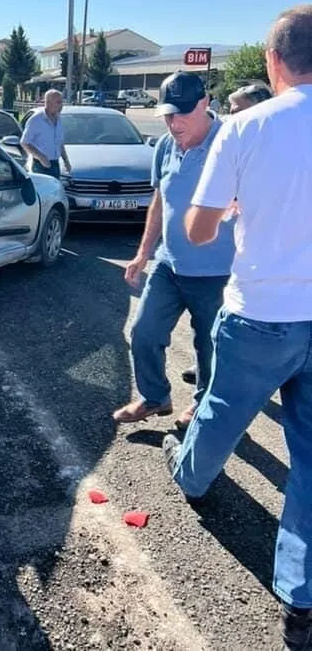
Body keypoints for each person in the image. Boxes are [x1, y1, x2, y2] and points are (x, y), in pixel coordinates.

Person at [162, 4, 312, 651]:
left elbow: (199, 229)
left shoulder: (247, 127)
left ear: (273, 61)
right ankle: (300, 600)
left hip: (260, 313)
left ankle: (191, 478)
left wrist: (233, 209)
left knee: (222, 411)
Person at [112, 72, 235, 430]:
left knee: (209, 348)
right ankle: (155, 397)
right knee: (144, 333)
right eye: (168, 114)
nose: (175, 123)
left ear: (205, 103)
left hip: (218, 272)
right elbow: (160, 200)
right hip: (169, 264)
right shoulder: (166, 145)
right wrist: (143, 252)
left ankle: (202, 407)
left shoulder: (230, 144)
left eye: (183, 113)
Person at [181, 81, 273, 387]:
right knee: (215, 318)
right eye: (230, 111)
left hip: (252, 260)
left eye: (237, 111)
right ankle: (209, 366)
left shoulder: (257, 147)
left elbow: (199, 227)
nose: (230, 117)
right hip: (232, 255)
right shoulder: (242, 142)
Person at [20, 89, 72, 179]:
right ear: (48, 103)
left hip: (55, 164)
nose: (62, 106)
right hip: (40, 165)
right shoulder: (36, 120)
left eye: (61, 102)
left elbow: (60, 143)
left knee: (55, 187)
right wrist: (41, 157)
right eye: (58, 102)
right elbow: (24, 143)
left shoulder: (59, 119)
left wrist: (66, 161)